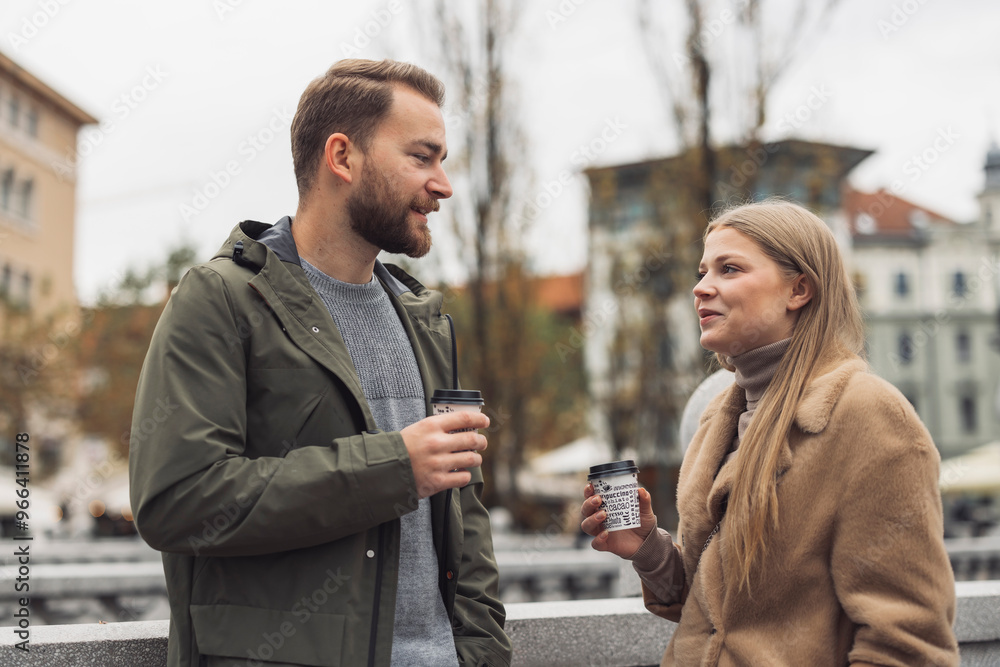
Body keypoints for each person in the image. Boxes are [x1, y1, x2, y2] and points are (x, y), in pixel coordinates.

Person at [129, 59, 511, 667]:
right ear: (342, 157)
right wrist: (393, 469)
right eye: (422, 157)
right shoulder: (221, 298)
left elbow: (463, 514)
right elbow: (178, 501)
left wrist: (480, 653)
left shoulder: (426, 319)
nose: (443, 184)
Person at [580, 201, 959, 666]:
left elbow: (908, 644)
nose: (701, 288)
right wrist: (648, 548)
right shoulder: (717, 417)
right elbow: (721, 614)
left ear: (799, 289)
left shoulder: (869, 416)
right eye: (702, 272)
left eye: (730, 269)